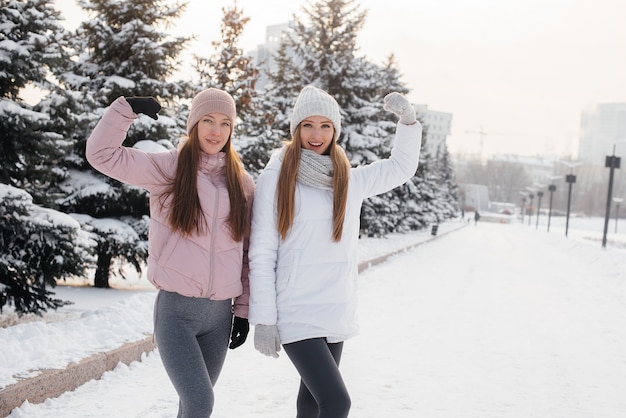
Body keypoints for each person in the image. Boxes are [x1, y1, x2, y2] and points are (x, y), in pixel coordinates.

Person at [248, 85, 422, 417]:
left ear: (335, 130)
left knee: (312, 402)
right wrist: (265, 320)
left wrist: (408, 124)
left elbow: (400, 168)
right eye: (308, 125)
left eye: (325, 126)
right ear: (296, 129)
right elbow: (262, 253)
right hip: (296, 310)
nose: (317, 134)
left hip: (333, 309)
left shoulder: (348, 180)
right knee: (336, 401)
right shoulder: (277, 177)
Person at [85, 88, 255, 417]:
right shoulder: (169, 170)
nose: (215, 131)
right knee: (200, 403)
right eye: (207, 120)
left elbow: (246, 253)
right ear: (193, 124)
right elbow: (102, 155)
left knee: (191, 408)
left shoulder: (242, 183)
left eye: (224, 123)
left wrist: (243, 312)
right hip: (176, 314)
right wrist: (126, 110)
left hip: (220, 317)